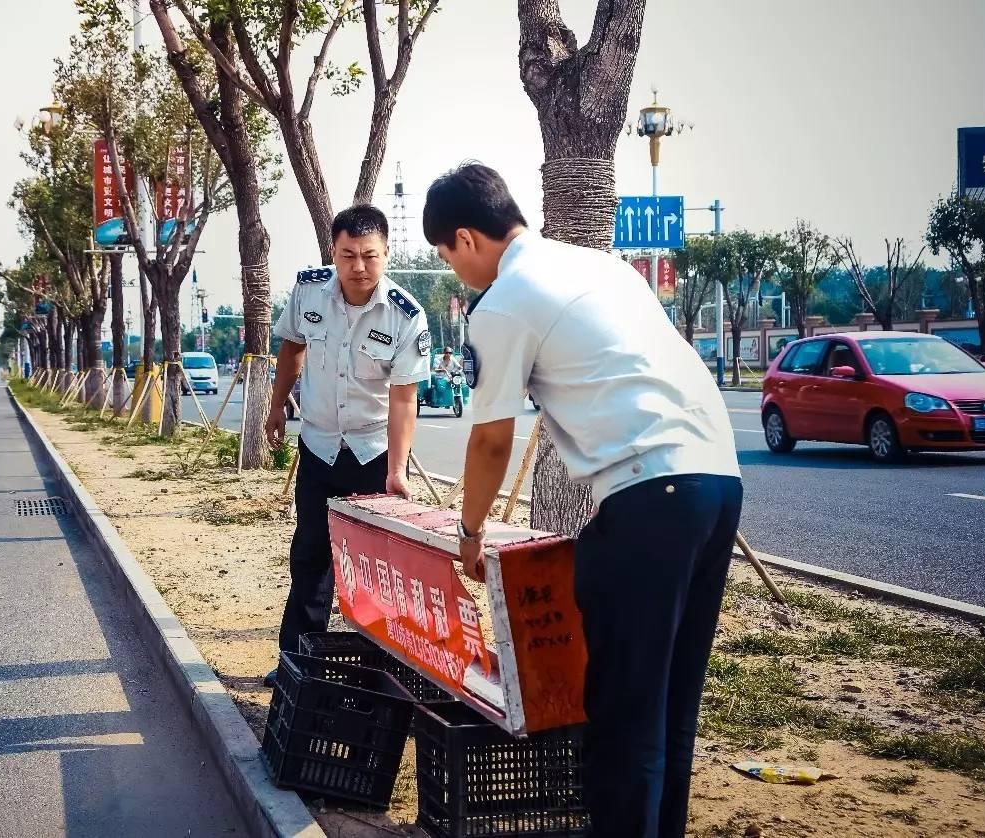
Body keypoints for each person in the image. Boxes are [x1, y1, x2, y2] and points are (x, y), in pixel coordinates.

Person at [423, 163, 742, 838]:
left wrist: (471, 532)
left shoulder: (506, 299)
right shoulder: (603, 267)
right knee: (670, 708)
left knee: (626, 715)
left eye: (449, 260)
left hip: (652, 495)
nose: (457, 274)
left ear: (465, 239)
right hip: (718, 483)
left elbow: (488, 440)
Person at [265, 204, 432, 685]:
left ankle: (375, 677)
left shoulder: (406, 316)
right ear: (334, 253)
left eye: (370, 256)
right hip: (318, 447)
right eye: (348, 255)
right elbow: (292, 347)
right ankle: (297, 667)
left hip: (371, 455)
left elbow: (404, 399)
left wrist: (396, 471)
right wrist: (277, 405)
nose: (359, 267)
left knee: (374, 571)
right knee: (311, 557)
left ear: (386, 253)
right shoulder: (308, 290)